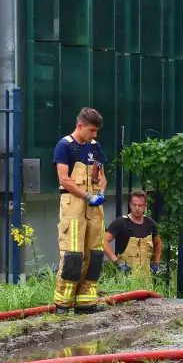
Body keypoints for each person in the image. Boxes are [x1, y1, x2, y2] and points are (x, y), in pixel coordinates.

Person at [52, 107, 108, 314]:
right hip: (73, 206)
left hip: (95, 207)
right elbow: (64, 179)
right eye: (91, 130)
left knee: (94, 254)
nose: (95, 135)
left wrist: (100, 192)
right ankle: (62, 304)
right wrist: (87, 196)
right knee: (73, 255)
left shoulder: (95, 147)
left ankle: (86, 303)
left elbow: (103, 176)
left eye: (96, 132)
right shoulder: (64, 146)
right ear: (80, 125)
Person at [104, 190, 163, 280]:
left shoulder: (150, 223)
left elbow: (158, 243)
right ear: (130, 205)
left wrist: (156, 263)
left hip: (146, 278)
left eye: (140, 205)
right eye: (134, 205)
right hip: (125, 277)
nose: (137, 208)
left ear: (145, 206)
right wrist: (116, 262)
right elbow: (103, 242)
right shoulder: (120, 222)